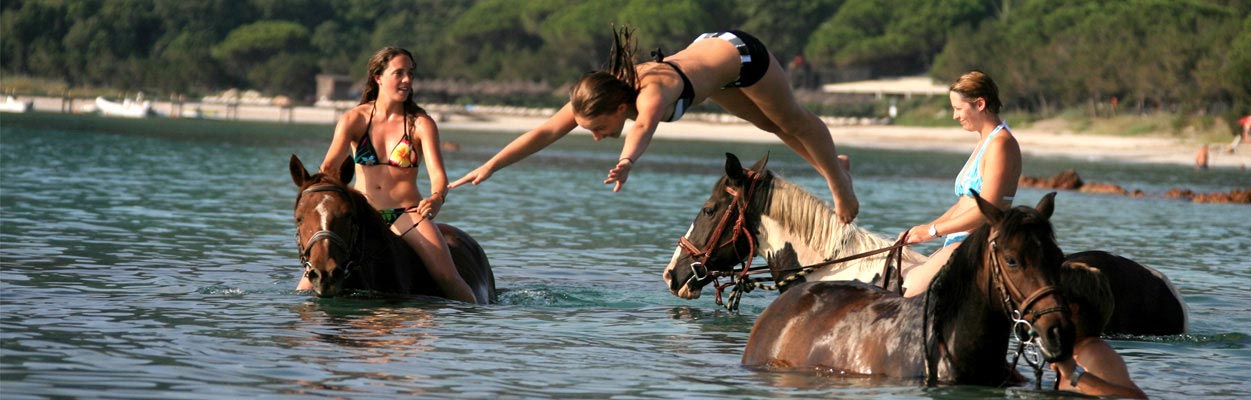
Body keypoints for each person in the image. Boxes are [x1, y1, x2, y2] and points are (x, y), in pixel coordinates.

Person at [448, 26, 860, 222]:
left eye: (599, 128)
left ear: (618, 106)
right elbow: (542, 132)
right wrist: (490, 165)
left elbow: (643, 127)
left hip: (740, 55)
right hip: (711, 75)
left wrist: (627, 160)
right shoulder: (598, 97)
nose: (595, 136)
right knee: (772, 127)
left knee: (791, 120)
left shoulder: (650, 95)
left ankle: (839, 182)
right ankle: (832, 163)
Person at [298, 47, 477, 303]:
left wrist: (437, 198)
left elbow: (438, 175)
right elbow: (329, 169)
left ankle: (479, 317)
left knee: (447, 276)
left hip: (407, 214)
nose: (407, 80)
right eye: (399, 73)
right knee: (304, 288)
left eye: (410, 74)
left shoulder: (421, 124)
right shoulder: (353, 119)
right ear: (378, 77)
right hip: (362, 216)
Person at [898, 70, 1021, 297]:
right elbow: (965, 204)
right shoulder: (986, 141)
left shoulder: (1000, 144)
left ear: (980, 104)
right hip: (960, 240)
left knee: (908, 297)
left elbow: (988, 211)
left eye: (958, 108)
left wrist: (933, 231)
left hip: (976, 242)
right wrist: (922, 230)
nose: (955, 115)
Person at [1052, 263, 1148, 398]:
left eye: (1051, 302)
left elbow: (1134, 398)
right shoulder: (1074, 355)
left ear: (1072, 310)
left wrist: (1074, 374)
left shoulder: (1096, 354)